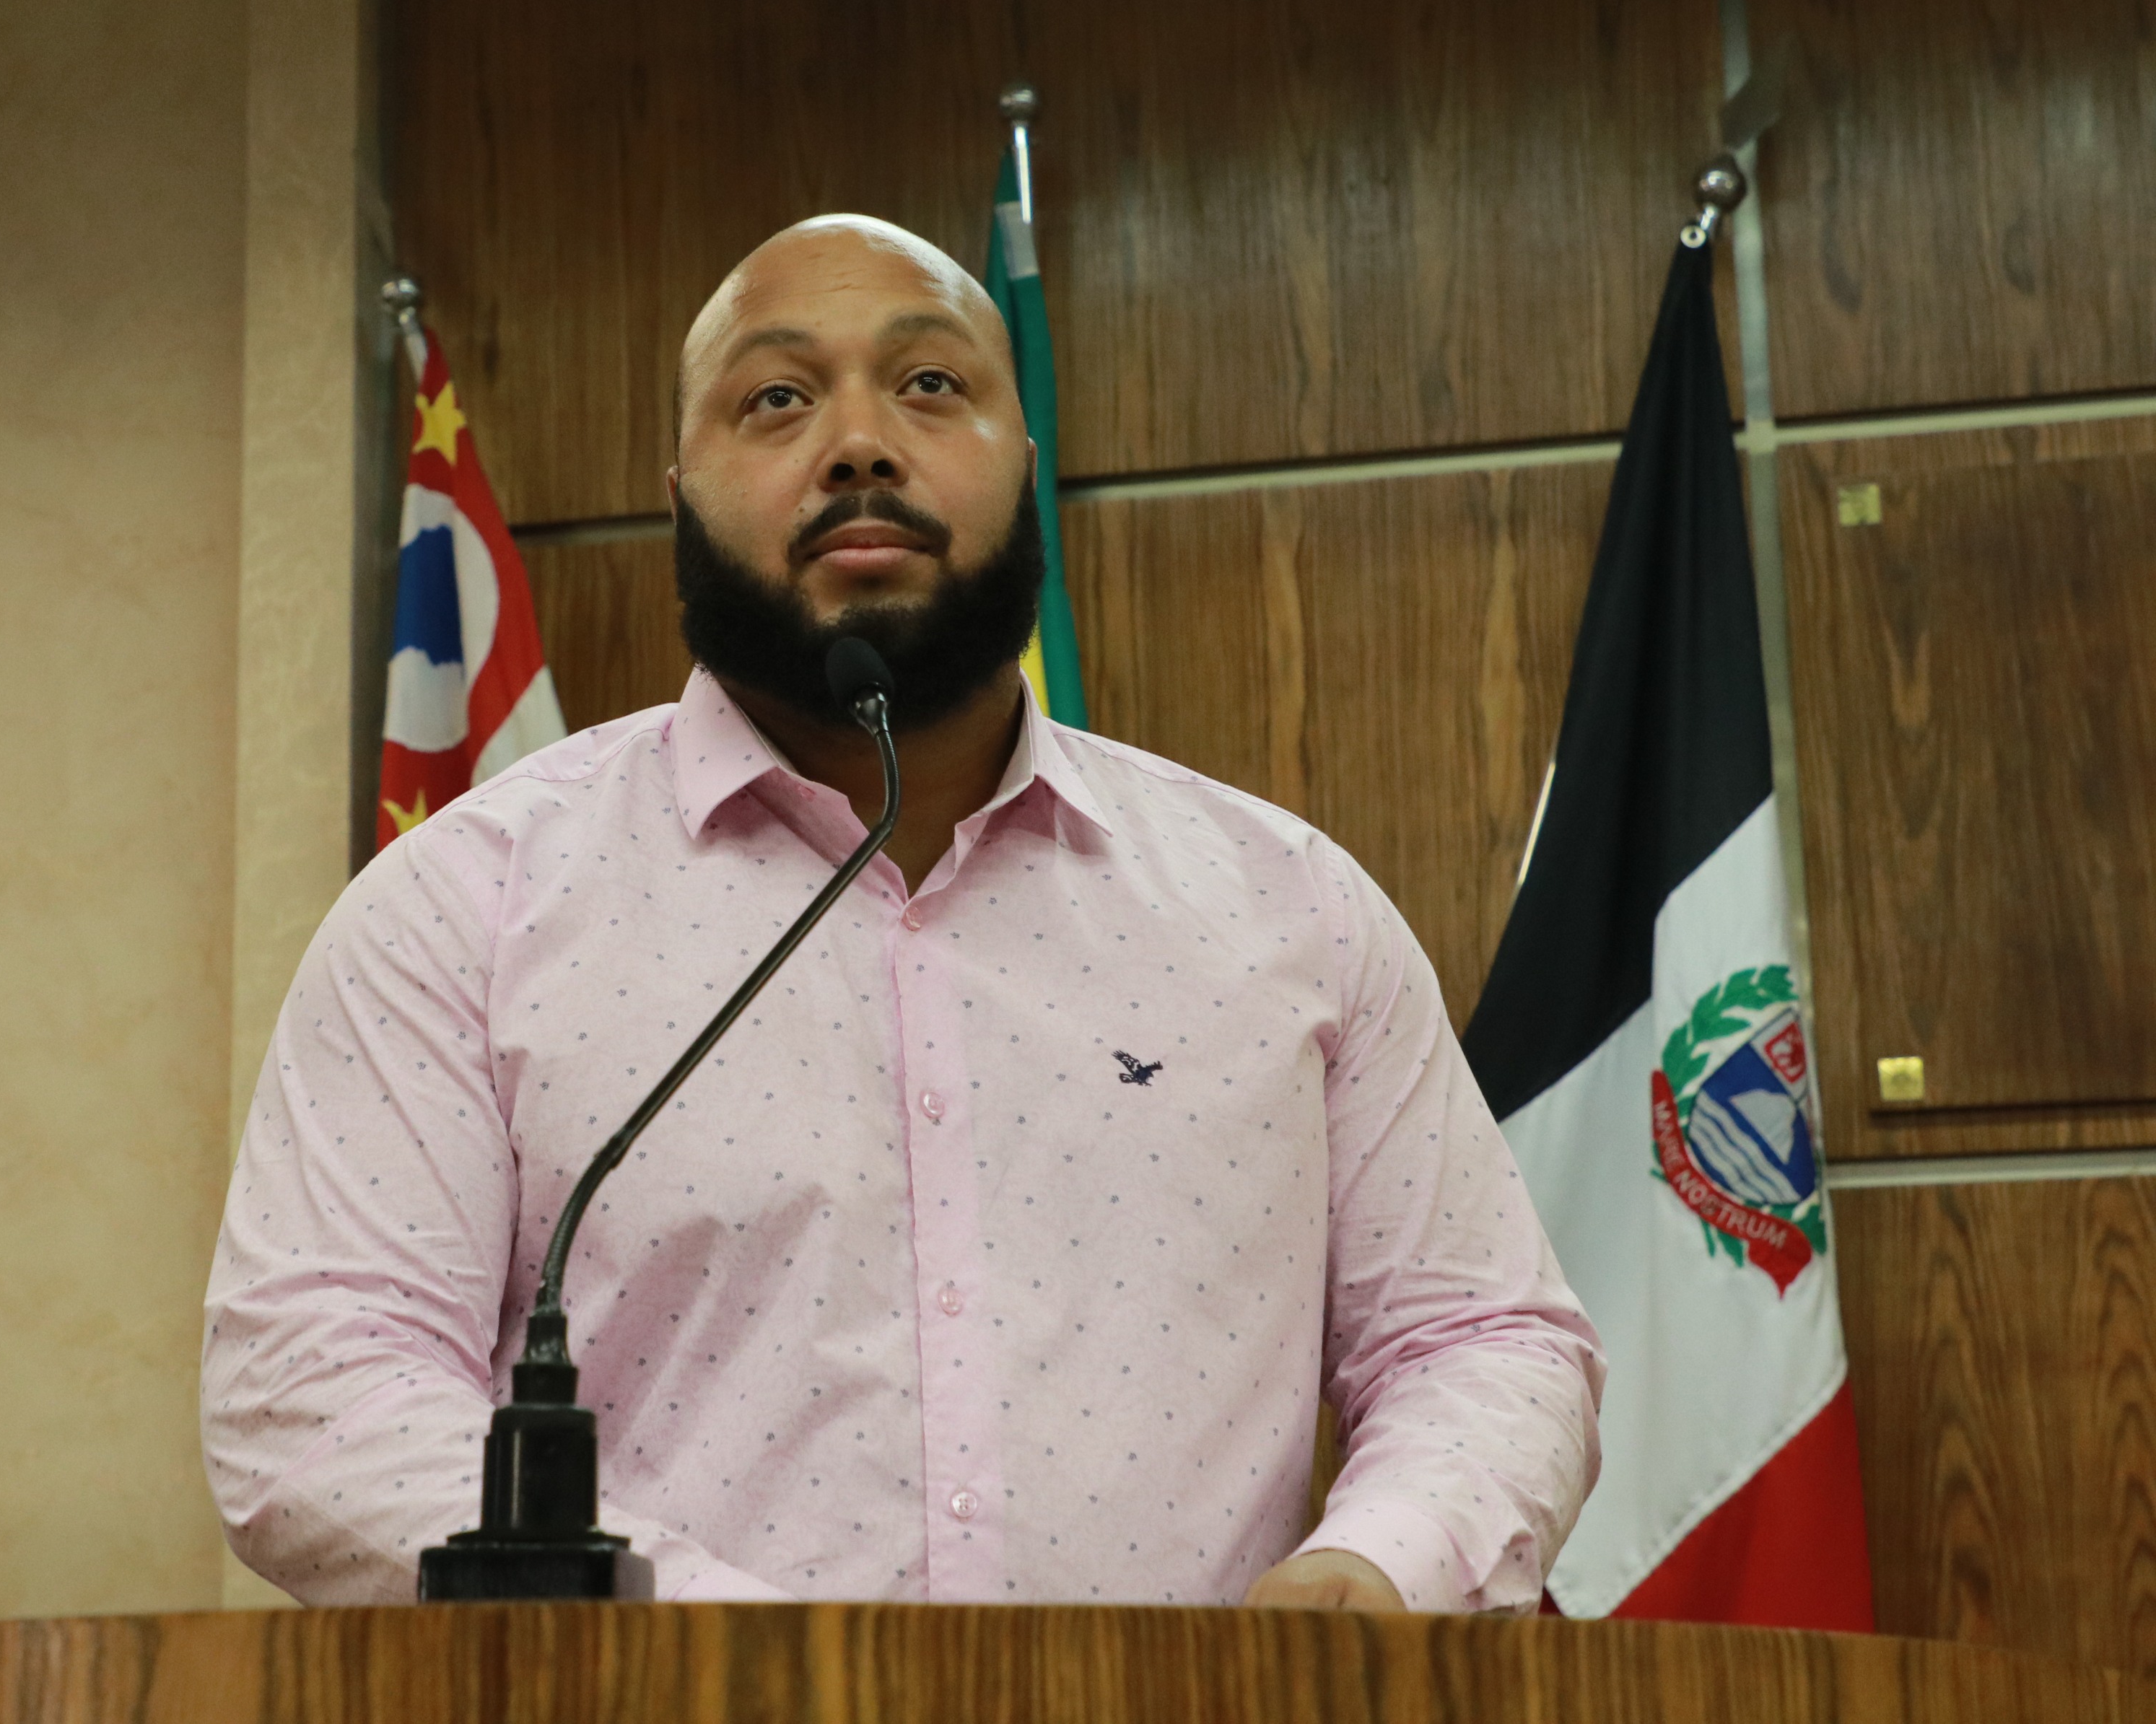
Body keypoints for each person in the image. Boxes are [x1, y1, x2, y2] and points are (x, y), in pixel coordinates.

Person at [203, 215, 1604, 1610]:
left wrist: (1379, 1570)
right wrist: (732, 1658)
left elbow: (1480, 1337)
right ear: (680, 495)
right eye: (777, 397)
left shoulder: (1290, 909)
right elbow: (320, 1387)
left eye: (931, 384)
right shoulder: (466, 908)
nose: (861, 443)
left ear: (1027, 465)